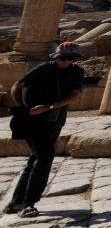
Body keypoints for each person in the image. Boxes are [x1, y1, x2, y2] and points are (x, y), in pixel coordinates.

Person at [5, 42, 85, 217]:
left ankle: (16, 202)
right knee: (45, 156)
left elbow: (74, 96)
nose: (65, 61)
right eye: (62, 58)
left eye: (69, 59)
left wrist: (48, 106)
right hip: (33, 120)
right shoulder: (44, 68)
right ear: (56, 57)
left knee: (36, 158)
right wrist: (22, 109)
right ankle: (28, 204)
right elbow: (17, 86)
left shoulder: (77, 71)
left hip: (55, 119)